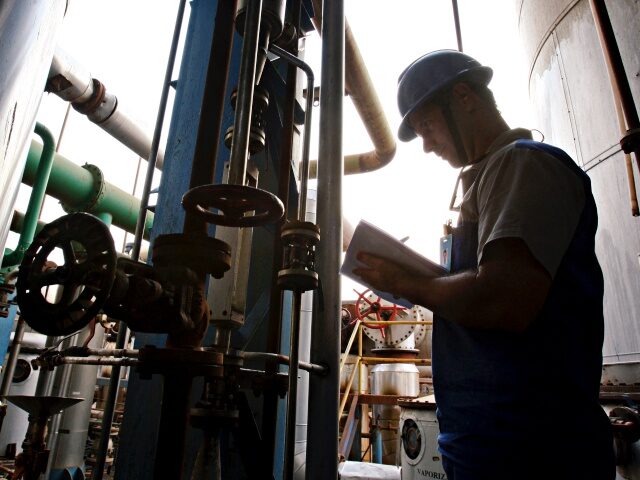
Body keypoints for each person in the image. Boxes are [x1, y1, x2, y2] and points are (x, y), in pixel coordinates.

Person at [353, 50, 614, 479]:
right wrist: (405, 279)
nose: (428, 145)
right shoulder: (492, 175)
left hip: (536, 452)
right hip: (490, 447)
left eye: (426, 127)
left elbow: (503, 299)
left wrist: (407, 281)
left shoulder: (524, 164)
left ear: (464, 97)